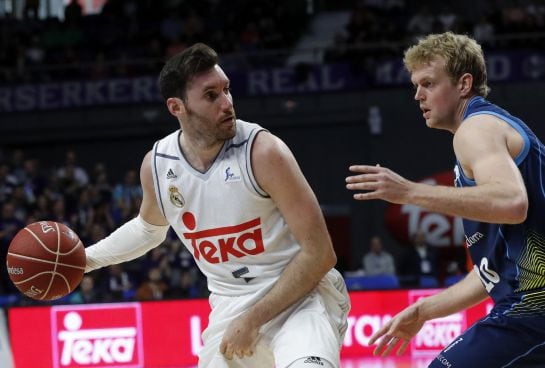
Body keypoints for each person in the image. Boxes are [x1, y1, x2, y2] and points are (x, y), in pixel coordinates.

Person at [84, 43, 349, 368]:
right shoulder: (157, 165)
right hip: (230, 305)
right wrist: (85, 260)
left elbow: (320, 254)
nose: (227, 103)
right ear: (176, 107)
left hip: (301, 298)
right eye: (211, 96)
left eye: (226, 90)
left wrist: (253, 320)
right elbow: (148, 229)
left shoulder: (264, 152)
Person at [346, 31, 545, 367]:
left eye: (428, 83)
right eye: (415, 86)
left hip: (533, 307)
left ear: (464, 84)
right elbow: (489, 275)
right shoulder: (490, 128)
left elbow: (512, 202)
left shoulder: (475, 129)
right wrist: (425, 310)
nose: (418, 95)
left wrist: (408, 192)